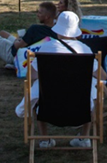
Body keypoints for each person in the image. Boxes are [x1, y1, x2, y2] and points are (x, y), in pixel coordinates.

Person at [17, 11, 96, 149]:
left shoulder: (46, 48)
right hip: (80, 109)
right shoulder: (85, 50)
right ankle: (84, 137)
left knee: (38, 88)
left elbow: (32, 75)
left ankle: (44, 139)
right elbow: (103, 76)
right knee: (93, 88)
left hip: (50, 107)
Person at [0, 1, 57, 73]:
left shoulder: (35, 29)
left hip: (17, 56)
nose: (37, 14)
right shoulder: (57, 31)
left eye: (40, 12)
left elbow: (18, 46)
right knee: (2, 34)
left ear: (47, 17)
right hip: (34, 57)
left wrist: (18, 41)